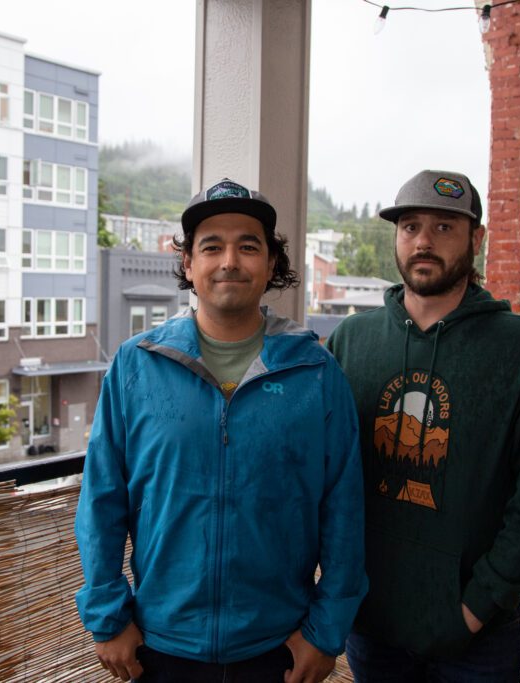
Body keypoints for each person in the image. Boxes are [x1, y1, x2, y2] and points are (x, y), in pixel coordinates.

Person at [76, 178, 367, 683]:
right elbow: (102, 499)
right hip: (160, 646)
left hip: (278, 649)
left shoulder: (315, 373)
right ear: (188, 263)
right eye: (212, 247)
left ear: (271, 265)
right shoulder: (135, 365)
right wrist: (107, 617)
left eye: (248, 246)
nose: (230, 260)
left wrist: (326, 630)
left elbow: (344, 510)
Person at [326, 170, 520, 682]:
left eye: (444, 227)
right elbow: (317, 474)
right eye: (410, 226)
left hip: (478, 639)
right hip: (371, 629)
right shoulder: (350, 342)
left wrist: (477, 607)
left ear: (476, 239)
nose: (423, 240)